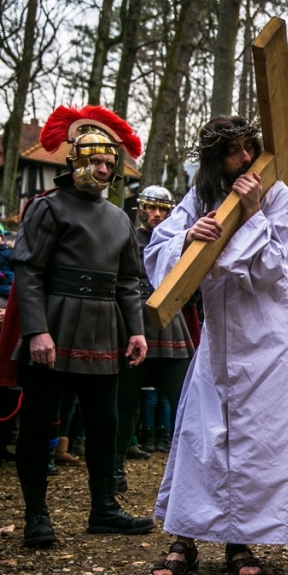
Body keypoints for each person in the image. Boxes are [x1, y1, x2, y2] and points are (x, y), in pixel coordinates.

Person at [148, 115, 288, 575]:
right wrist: (186, 237)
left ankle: (240, 541)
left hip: (268, 342)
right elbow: (159, 249)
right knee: (202, 438)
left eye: (249, 147)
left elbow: (271, 270)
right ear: (214, 159)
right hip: (218, 341)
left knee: (256, 443)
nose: (245, 158)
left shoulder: (278, 195)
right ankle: (184, 537)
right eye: (233, 151)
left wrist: (255, 211)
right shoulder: (199, 197)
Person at [0, 105, 152, 548]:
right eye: (95, 161)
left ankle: (104, 509)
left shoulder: (120, 218)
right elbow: (29, 271)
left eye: (108, 164)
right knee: (39, 422)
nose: (102, 170)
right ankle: (35, 516)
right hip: (55, 325)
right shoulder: (47, 207)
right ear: (76, 162)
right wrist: (36, 330)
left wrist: (135, 330)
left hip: (104, 327)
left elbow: (128, 281)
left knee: (104, 421)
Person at [113, 186, 194, 492]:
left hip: (171, 326)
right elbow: (123, 282)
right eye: (151, 208)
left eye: (162, 209)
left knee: (186, 401)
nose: (157, 214)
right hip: (133, 326)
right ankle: (114, 468)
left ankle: (192, 471)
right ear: (141, 209)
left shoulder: (179, 240)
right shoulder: (127, 238)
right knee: (125, 404)